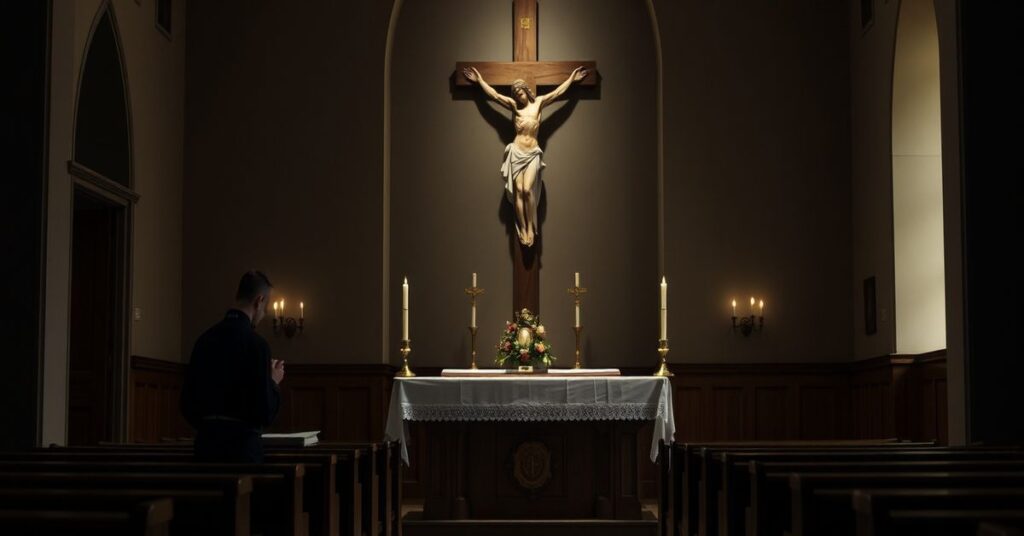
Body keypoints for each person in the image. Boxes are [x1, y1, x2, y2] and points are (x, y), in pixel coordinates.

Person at [463, 65, 588, 247]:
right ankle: (522, 228)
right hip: (516, 151)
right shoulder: (514, 107)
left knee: (527, 189)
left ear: (526, 91)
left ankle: (530, 226)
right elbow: (495, 96)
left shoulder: (538, 103)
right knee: (519, 191)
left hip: (531, 153)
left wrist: (571, 80)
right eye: (515, 94)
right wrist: (480, 81)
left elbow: (557, 94)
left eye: (519, 93)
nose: (517, 97)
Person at [180, 270, 285, 462]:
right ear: (259, 301)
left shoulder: (204, 340)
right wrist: (273, 382)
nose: (264, 313)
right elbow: (264, 412)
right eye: (265, 307)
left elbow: (187, 402)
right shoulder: (257, 346)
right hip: (242, 450)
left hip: (206, 447)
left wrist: (211, 427)